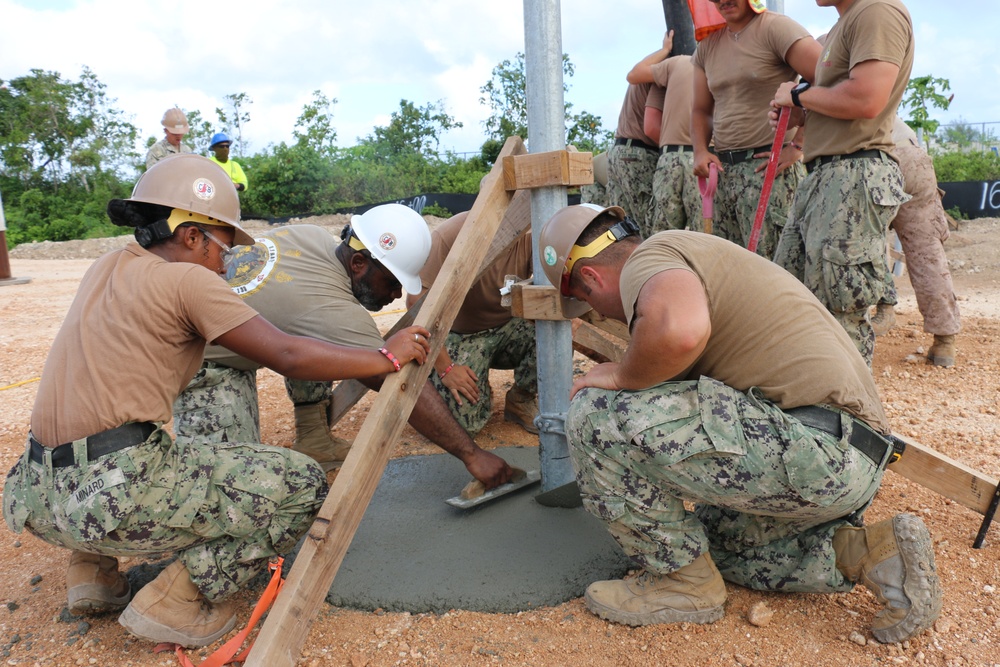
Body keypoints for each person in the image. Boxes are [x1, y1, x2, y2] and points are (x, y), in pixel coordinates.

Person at [1, 155, 431, 648]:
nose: (228, 260)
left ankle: (91, 570)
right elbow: (288, 353)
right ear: (190, 235)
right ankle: (175, 601)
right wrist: (386, 358)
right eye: (224, 245)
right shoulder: (190, 280)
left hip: (34, 493)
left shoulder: (107, 265)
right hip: (111, 495)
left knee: (137, 437)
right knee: (301, 485)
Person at [535, 203, 941, 643]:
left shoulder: (650, 259)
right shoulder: (692, 258)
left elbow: (680, 332)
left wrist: (618, 374)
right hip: (841, 461)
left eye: (585, 302)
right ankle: (871, 554)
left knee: (595, 415)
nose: (598, 314)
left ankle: (683, 586)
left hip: (814, 449)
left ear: (592, 279)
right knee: (710, 543)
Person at [172, 206, 514, 486]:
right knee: (229, 485)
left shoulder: (311, 236)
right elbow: (405, 389)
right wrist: (473, 455)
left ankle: (315, 439)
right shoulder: (333, 312)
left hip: (218, 324)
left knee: (317, 341)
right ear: (359, 263)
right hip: (200, 360)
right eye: (393, 283)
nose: (396, 295)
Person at [770, 0, 914, 366]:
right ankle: (815, 405)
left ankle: (851, 415)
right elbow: (834, 101)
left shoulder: (876, 10)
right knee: (791, 295)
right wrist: (798, 110)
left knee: (840, 311)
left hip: (854, 172)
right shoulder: (842, 24)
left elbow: (866, 98)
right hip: (824, 174)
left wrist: (799, 94)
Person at [691, 0, 820, 258]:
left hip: (770, 171)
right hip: (724, 174)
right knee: (729, 270)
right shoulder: (707, 45)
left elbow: (827, 76)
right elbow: (701, 110)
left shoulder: (775, 28)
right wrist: (700, 151)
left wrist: (799, 144)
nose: (723, 1)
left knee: (776, 270)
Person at [404, 210, 537, 437]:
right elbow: (416, 303)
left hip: (509, 326)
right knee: (461, 427)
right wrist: (445, 367)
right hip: (460, 334)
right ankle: (459, 383)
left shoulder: (533, 234)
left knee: (553, 335)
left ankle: (521, 399)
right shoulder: (451, 235)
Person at [870, 116, 960, 367]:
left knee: (864, 239)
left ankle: (883, 310)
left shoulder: (816, 84)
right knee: (927, 253)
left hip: (873, 160)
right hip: (912, 154)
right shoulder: (877, 82)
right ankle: (945, 340)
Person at [626, 29, 702, 235]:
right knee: (704, 235)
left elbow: (633, 74)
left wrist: (664, 50)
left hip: (667, 158)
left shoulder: (671, 66)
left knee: (658, 237)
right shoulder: (715, 66)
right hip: (700, 158)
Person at [606, 82, 665, 232]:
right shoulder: (659, 76)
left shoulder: (645, 71)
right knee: (648, 226)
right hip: (638, 154)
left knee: (623, 229)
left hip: (619, 151)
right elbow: (651, 128)